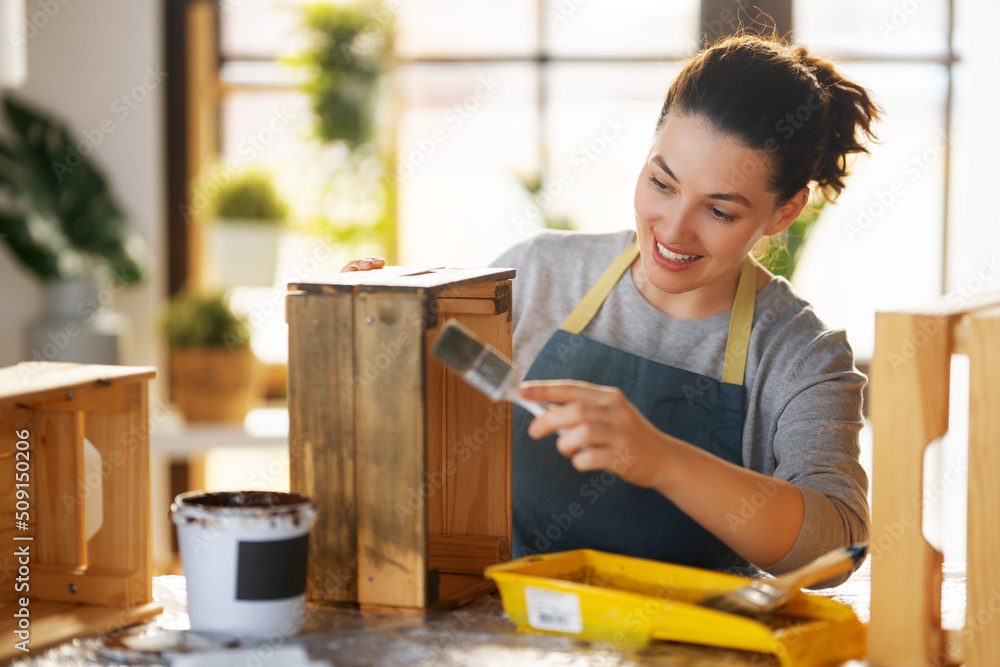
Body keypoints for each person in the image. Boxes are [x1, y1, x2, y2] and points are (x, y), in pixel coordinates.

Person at [344, 32, 879, 587]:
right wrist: (373, 332)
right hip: (503, 633)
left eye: (719, 211)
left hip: (678, 646)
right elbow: (423, 430)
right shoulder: (537, 274)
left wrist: (661, 459)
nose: (673, 229)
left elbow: (838, 544)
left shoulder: (801, 354)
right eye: (661, 183)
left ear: (783, 212)